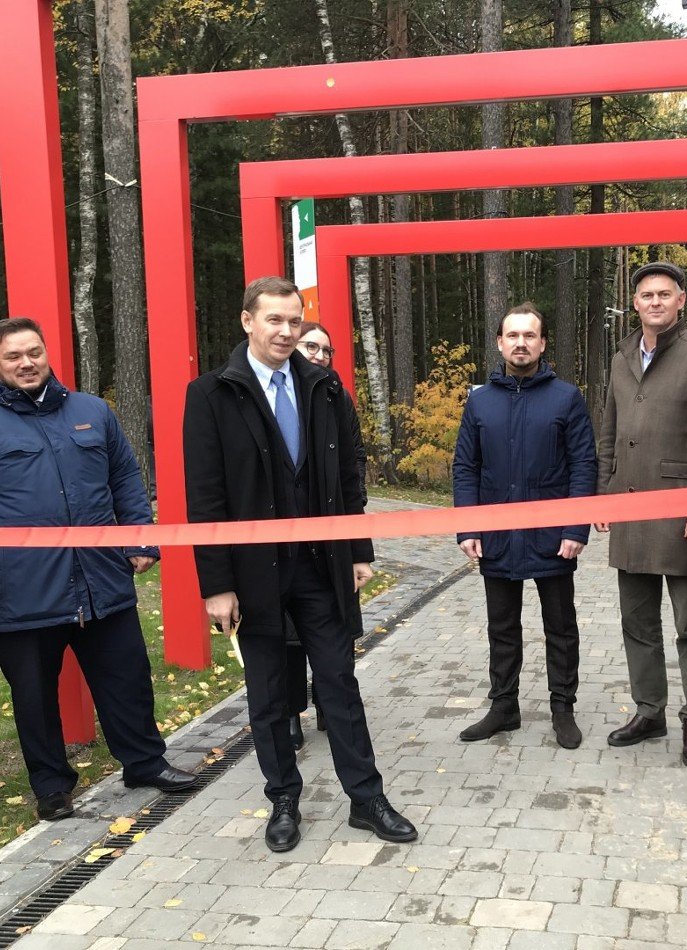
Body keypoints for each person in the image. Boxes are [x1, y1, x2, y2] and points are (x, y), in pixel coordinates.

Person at [0, 318, 196, 823]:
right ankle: (51, 787)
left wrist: (139, 536)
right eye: (13, 357)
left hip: (101, 581)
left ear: (48, 353)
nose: (27, 364)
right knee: (33, 696)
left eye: (34, 353)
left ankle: (144, 763)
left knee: (127, 680)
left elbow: (125, 478)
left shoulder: (92, 411)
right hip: (19, 589)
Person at [182, 276, 416, 853]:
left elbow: (348, 476)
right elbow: (204, 496)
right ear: (247, 322)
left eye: (294, 320)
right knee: (267, 695)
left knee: (339, 683)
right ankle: (283, 798)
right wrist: (216, 584)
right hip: (254, 574)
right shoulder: (212, 394)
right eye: (274, 321)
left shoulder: (324, 386)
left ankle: (366, 798)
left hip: (320, 568)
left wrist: (358, 549)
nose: (286, 332)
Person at [594, 261, 687, 768]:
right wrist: (604, 493)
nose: (654, 302)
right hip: (630, 508)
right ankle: (649, 710)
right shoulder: (621, 356)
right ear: (635, 303)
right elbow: (608, 429)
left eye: (664, 294)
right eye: (646, 294)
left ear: (681, 301)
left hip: (680, 515)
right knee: (637, 621)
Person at [452, 303, 597, 749]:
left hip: (553, 537)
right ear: (499, 342)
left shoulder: (566, 397)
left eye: (529, 335)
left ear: (542, 342)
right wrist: (468, 527)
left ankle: (563, 708)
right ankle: (504, 707)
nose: (520, 343)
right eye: (512, 335)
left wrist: (575, 528)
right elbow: (465, 467)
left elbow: (583, 464)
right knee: (502, 626)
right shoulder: (479, 400)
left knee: (560, 626)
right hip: (496, 535)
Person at [285, 321, 367, 751]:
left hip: (332, 541)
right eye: (310, 346)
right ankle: (291, 712)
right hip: (286, 544)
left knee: (333, 634)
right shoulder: (278, 396)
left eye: (326, 350)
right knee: (287, 639)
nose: (318, 355)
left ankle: (330, 707)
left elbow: (354, 457)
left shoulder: (337, 396)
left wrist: (356, 535)